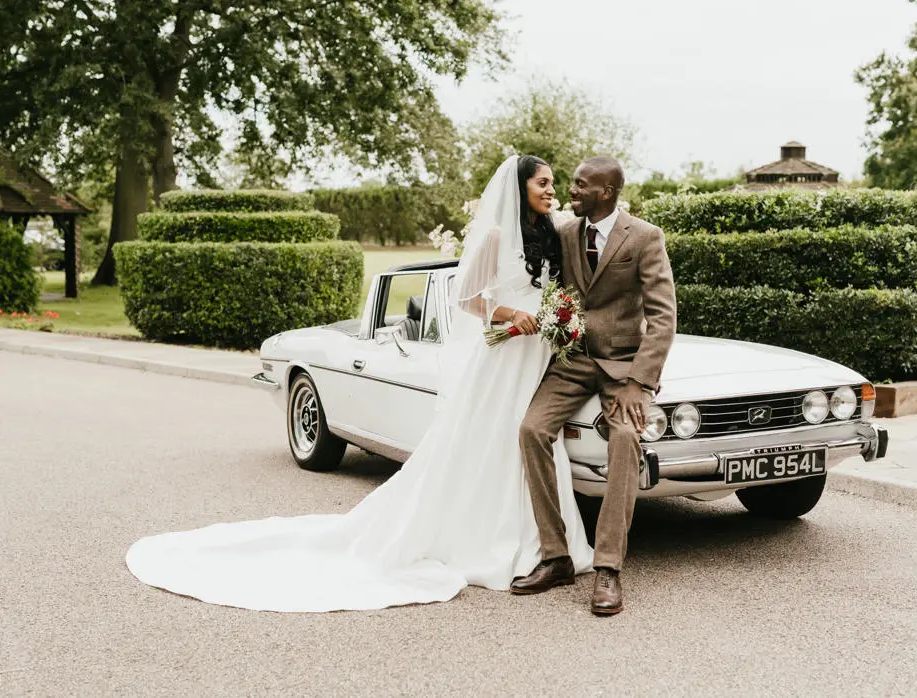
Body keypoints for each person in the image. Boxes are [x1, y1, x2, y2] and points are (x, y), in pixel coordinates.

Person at [125, 155, 593, 612]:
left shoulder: (550, 234)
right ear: (519, 188)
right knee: (494, 439)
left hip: (538, 356)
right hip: (504, 357)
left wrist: (557, 319)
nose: (551, 190)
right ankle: (496, 541)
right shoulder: (494, 234)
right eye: (542, 183)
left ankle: (550, 543)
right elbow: (466, 298)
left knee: (532, 437)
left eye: (553, 183)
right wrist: (515, 315)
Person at [513, 156, 677, 616]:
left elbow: (663, 318)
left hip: (624, 365)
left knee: (624, 437)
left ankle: (608, 568)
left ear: (606, 192)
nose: (572, 190)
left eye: (581, 185)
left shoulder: (645, 237)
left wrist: (639, 384)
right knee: (531, 430)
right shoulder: (565, 233)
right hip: (574, 360)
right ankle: (556, 555)